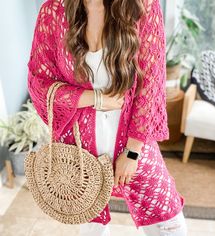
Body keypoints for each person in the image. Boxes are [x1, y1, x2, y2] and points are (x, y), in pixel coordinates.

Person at [27, 0, 187, 235]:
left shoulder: (141, 7)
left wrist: (132, 152)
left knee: (170, 226)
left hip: (133, 144)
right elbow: (39, 83)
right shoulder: (53, 11)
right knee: (92, 229)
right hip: (80, 150)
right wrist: (96, 98)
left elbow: (151, 83)